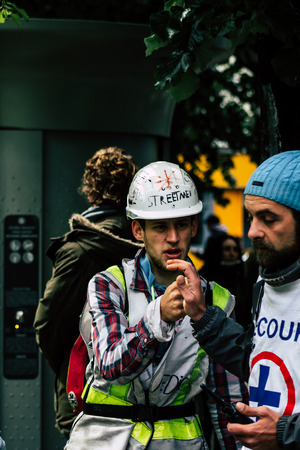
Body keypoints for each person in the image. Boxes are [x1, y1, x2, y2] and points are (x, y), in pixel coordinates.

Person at [65, 161, 248, 450]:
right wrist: (157, 319)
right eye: (160, 227)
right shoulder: (109, 285)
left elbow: (229, 401)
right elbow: (112, 366)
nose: (173, 238)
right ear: (138, 230)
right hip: (103, 439)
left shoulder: (216, 300)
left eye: (182, 225)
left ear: (194, 227)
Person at [167, 150, 300, 449]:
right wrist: (203, 316)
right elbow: (259, 361)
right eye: (251, 217)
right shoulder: (266, 281)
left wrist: (285, 433)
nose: (252, 231)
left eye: (269, 219)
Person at [34, 147, 142, 438]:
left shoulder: (79, 250)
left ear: (90, 191)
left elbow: (48, 324)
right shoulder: (152, 245)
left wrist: (70, 364)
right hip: (148, 393)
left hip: (87, 392)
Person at [200, 234, 256, 329]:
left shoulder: (244, 277)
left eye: (235, 249)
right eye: (227, 249)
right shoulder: (205, 278)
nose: (232, 253)